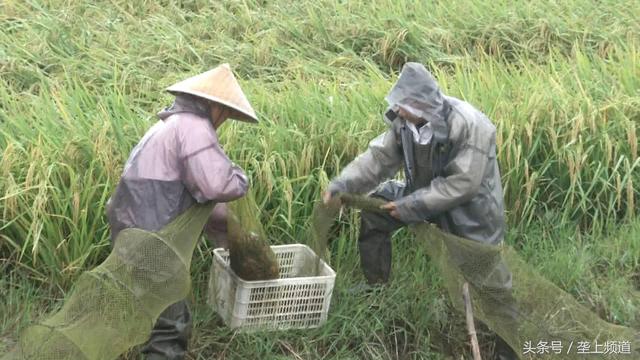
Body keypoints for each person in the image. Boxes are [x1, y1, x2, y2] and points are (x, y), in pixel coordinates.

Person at [323, 63, 519, 359]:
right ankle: (375, 289)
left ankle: (509, 348)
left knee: (488, 276)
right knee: (376, 211)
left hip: (470, 210)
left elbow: (463, 183)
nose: (399, 111)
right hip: (421, 194)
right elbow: (378, 159)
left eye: (404, 105)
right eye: (398, 105)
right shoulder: (403, 123)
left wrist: (411, 206)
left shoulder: (469, 125)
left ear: (423, 103)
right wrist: (342, 184)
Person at [105, 63, 257, 360]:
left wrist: (231, 235)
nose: (224, 120)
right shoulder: (194, 128)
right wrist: (241, 178)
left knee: (156, 307)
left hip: (133, 229)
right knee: (171, 319)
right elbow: (217, 185)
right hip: (153, 237)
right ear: (213, 105)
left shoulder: (169, 124)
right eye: (225, 113)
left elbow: (196, 200)